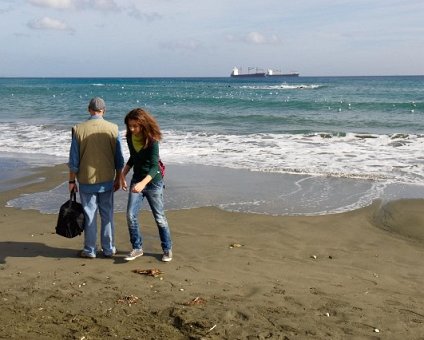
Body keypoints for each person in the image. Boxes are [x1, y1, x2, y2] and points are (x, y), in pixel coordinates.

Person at [68, 97, 125, 258]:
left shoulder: (78, 128)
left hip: (86, 179)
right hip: (107, 178)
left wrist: (71, 180)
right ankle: (108, 248)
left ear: (89, 109)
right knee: (107, 214)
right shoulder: (113, 128)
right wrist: (119, 177)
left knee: (89, 213)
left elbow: (74, 160)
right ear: (104, 111)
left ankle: (90, 250)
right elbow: (119, 158)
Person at [120, 108, 173, 262]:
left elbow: (155, 166)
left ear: (143, 124)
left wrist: (143, 184)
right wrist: (123, 174)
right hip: (137, 180)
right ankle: (137, 248)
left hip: (153, 182)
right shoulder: (130, 137)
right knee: (130, 215)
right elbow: (133, 158)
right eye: (129, 126)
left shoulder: (152, 139)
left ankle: (167, 249)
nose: (132, 129)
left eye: (135, 126)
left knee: (159, 218)